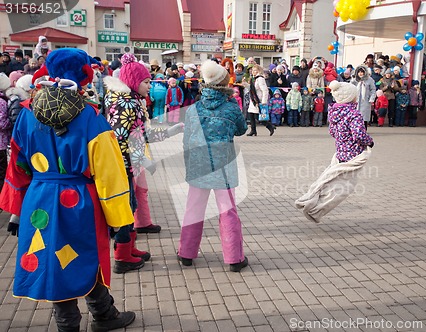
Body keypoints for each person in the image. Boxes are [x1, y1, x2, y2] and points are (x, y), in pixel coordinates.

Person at [0, 48, 136, 332]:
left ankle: (101, 314)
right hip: (79, 202)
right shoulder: (90, 118)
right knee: (82, 254)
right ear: (83, 73)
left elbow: (18, 165)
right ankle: (82, 321)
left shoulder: (27, 114)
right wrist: (120, 218)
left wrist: (15, 211)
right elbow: (109, 174)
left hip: (39, 198)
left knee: (54, 258)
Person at [104, 54, 184, 270]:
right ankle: (122, 256)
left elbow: (140, 134)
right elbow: (120, 138)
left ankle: (129, 248)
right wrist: (134, 161)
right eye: (146, 82)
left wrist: (170, 132)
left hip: (130, 163)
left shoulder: (131, 101)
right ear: (133, 82)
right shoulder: (126, 105)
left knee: (131, 205)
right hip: (123, 165)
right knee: (125, 207)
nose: (150, 86)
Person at [177, 60, 248, 272]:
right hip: (223, 165)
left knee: (193, 209)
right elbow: (241, 129)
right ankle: (234, 258)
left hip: (198, 164)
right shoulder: (231, 107)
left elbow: (187, 138)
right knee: (227, 211)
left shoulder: (194, 108)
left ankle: (186, 253)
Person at [294, 80, 373, 222]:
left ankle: (312, 200)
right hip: (353, 154)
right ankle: (315, 208)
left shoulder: (334, 112)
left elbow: (332, 132)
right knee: (344, 187)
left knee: (333, 181)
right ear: (350, 97)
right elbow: (359, 135)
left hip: (341, 151)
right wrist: (369, 141)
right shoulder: (354, 114)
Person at [247, 64, 274, 136]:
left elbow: (265, 90)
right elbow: (251, 88)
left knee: (259, 117)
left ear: (259, 71)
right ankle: (253, 131)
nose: (253, 72)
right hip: (253, 99)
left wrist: (264, 101)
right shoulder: (253, 78)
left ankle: (270, 126)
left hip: (258, 99)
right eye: (253, 70)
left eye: (255, 70)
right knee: (251, 115)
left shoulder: (260, 79)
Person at [351, 65, 376, 129]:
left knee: (364, 116)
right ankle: (356, 129)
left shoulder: (369, 80)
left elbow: (373, 90)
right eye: (359, 72)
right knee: (355, 116)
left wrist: (371, 98)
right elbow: (350, 88)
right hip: (356, 100)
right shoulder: (355, 80)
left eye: (362, 72)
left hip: (365, 100)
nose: (360, 73)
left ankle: (364, 130)